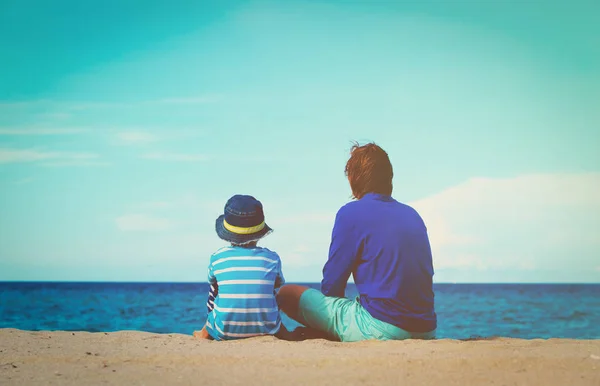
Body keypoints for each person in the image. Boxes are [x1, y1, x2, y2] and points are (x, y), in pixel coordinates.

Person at [277, 143, 437, 342]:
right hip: (427, 329)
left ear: (354, 179)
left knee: (286, 293)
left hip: (382, 329)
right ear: (389, 178)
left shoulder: (350, 214)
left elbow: (332, 285)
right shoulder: (413, 215)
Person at [193, 194, 290, 341]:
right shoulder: (272, 258)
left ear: (227, 234)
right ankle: (276, 327)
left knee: (215, 287)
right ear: (260, 233)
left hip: (224, 331)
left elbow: (212, 282)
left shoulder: (217, 257)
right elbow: (277, 284)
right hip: (267, 329)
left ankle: (206, 330)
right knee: (273, 289)